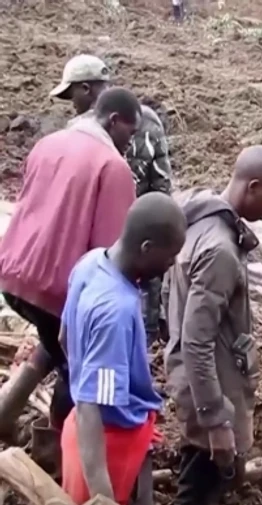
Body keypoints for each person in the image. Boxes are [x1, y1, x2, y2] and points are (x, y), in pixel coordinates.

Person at [0, 87, 141, 460]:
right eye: (131, 131)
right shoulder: (113, 167)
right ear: (114, 121)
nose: (131, 141)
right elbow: (110, 255)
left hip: (14, 274)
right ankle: (56, 454)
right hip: (55, 288)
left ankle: (5, 410)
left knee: (54, 341)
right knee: (78, 369)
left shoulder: (50, 142)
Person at [164, 145, 262, 505]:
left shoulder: (202, 220)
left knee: (210, 486)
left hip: (204, 387)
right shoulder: (219, 249)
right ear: (252, 186)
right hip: (212, 392)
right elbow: (196, 341)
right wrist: (216, 422)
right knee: (200, 491)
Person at [61, 193, 187, 505]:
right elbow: (92, 405)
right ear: (146, 248)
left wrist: (81, 373)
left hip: (81, 429)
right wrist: (101, 495)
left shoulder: (90, 263)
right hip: (106, 445)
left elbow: (64, 335)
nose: (172, 264)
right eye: (170, 256)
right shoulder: (115, 310)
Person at [51, 54, 174, 343]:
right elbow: (162, 184)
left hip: (102, 244)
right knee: (138, 316)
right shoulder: (147, 121)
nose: (73, 104)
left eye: (73, 96)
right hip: (143, 236)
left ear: (87, 89)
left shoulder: (79, 131)